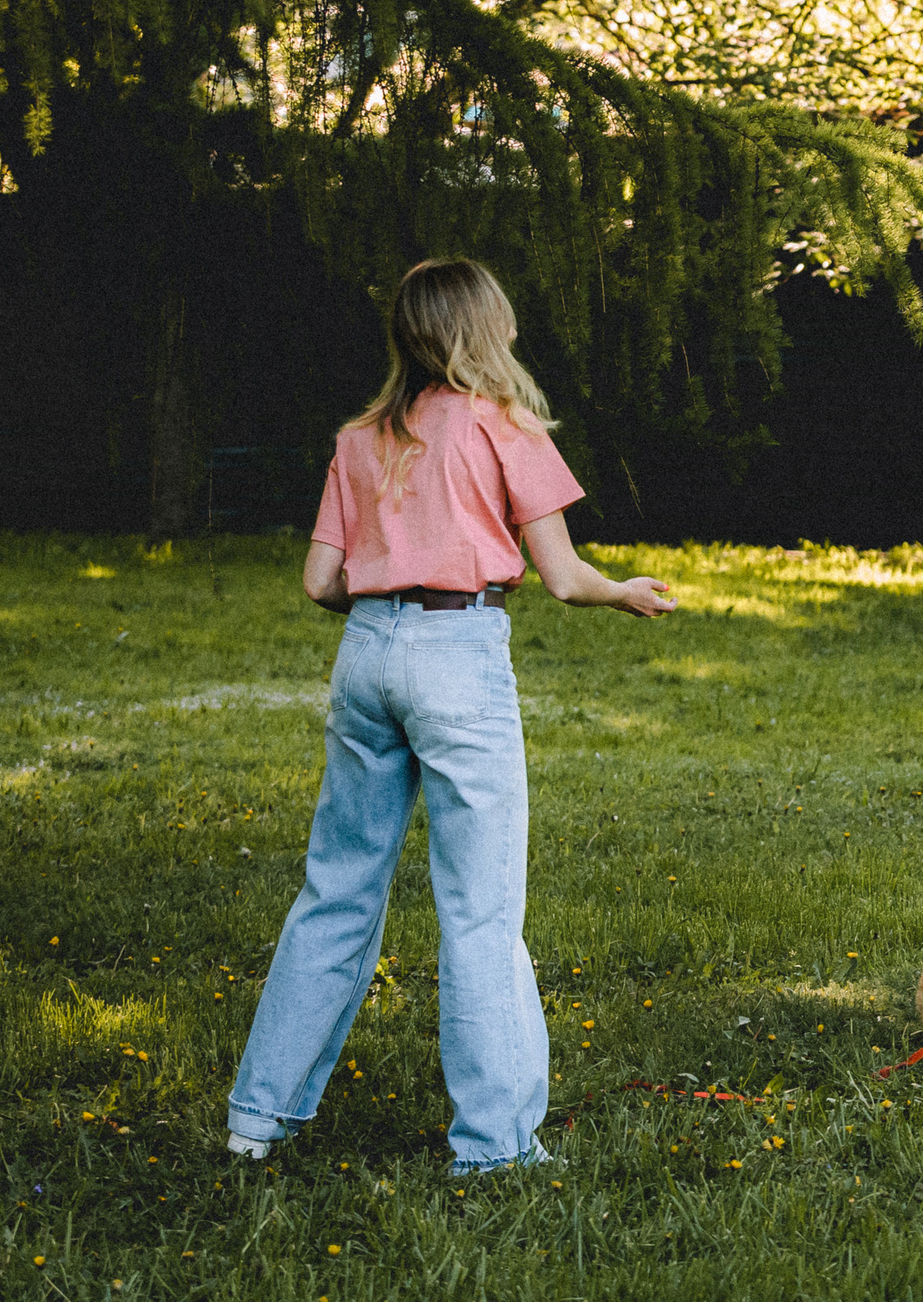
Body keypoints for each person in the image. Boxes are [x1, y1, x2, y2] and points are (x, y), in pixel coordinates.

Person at [224, 258, 675, 1171]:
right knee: (479, 908)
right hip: (458, 655)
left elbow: (319, 580)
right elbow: (561, 575)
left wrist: (389, 589)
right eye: (502, 320)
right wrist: (621, 591)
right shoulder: (504, 423)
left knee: (337, 887)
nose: (511, 333)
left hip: (366, 656)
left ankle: (255, 1118)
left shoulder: (360, 438)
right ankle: (496, 1144)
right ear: (476, 331)